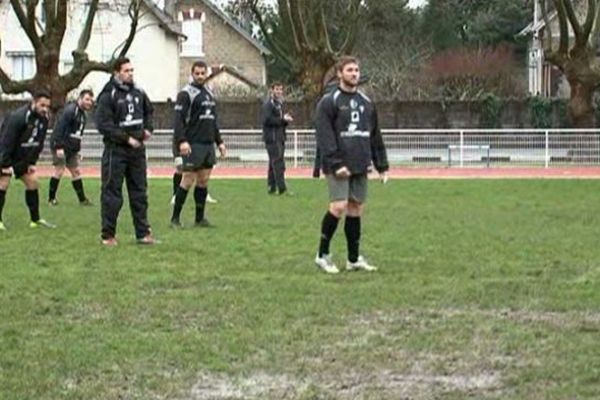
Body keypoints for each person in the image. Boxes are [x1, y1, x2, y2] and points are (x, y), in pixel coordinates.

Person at [313, 56, 389, 274]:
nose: (354, 74)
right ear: (339, 73)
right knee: (338, 207)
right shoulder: (329, 102)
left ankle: (353, 259)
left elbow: (375, 136)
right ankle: (322, 254)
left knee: (356, 209)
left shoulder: (366, 102)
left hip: (360, 163)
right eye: (349, 70)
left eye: (356, 70)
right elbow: (325, 136)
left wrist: (381, 165)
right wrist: (336, 163)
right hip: (338, 164)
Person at [95, 57, 156, 245]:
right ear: (117, 72)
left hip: (137, 152)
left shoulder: (138, 91)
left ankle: (143, 233)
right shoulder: (108, 94)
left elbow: (149, 111)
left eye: (132, 70)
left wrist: (148, 129)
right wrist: (126, 138)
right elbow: (104, 125)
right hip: (117, 151)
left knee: (139, 192)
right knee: (112, 192)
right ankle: (108, 235)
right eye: (126, 70)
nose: (130, 73)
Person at [170, 60, 226, 228]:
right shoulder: (186, 94)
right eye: (197, 73)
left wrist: (220, 142)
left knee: (203, 181)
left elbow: (213, 121)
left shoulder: (209, 93)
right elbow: (178, 120)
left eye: (203, 73)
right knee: (187, 180)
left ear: (207, 74)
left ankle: (199, 218)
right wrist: (182, 141)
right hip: (193, 143)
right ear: (192, 74)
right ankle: (175, 219)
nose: (200, 76)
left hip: (208, 144)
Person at [0, 90, 56, 230]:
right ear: (34, 102)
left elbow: (39, 142)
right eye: (42, 105)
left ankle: (35, 220)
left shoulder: (44, 118)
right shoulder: (18, 117)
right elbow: (6, 141)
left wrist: (31, 162)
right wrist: (4, 164)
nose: (45, 109)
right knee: (3, 183)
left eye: (47, 106)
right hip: (5, 154)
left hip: (21, 157)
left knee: (33, 182)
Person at [48, 89, 94, 206]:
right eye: (87, 99)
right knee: (59, 170)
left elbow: (77, 135)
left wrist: (77, 151)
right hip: (61, 145)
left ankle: (82, 200)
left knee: (76, 171)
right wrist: (58, 147)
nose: (89, 102)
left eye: (91, 100)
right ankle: (51, 199)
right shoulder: (70, 110)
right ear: (80, 99)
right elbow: (60, 128)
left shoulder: (83, 115)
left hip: (71, 149)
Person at [262, 82, 293, 195]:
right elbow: (267, 120)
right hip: (272, 138)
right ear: (272, 90)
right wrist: (282, 119)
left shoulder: (280, 104)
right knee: (278, 162)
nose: (279, 92)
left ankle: (272, 186)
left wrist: (286, 121)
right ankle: (282, 188)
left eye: (280, 89)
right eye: (277, 89)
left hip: (280, 137)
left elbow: (281, 121)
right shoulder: (269, 104)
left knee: (273, 162)